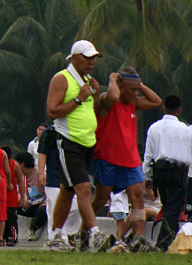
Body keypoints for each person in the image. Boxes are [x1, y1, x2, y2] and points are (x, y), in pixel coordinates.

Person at [90, 67, 162, 252]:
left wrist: (138, 85)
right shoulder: (107, 100)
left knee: (138, 198)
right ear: (120, 86)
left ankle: (137, 239)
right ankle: (84, 231)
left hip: (130, 161)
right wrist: (113, 79)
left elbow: (156, 101)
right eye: (132, 89)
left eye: (137, 90)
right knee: (100, 199)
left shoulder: (132, 103)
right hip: (107, 158)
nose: (136, 93)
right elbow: (113, 96)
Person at [44, 39, 104, 252]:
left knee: (67, 191)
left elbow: (91, 111)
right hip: (68, 141)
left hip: (88, 142)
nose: (92, 62)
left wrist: (93, 95)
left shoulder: (87, 79)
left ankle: (54, 237)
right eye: (87, 58)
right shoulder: (62, 78)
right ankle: (95, 234)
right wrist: (79, 98)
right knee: (84, 189)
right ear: (75, 57)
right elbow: (52, 111)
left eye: (94, 58)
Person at [143, 94, 192, 251]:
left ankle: (165, 242)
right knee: (173, 208)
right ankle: (163, 243)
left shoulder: (154, 128)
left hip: (159, 172)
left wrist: (147, 176)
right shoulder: (185, 130)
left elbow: (148, 155)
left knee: (168, 205)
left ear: (164, 108)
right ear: (179, 110)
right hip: (178, 172)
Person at [39, 124, 82, 250]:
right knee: (54, 210)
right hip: (53, 178)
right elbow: (42, 153)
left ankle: (69, 234)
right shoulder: (49, 132)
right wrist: (42, 172)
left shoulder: (76, 130)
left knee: (77, 207)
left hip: (71, 177)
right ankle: (56, 240)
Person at [14, 152, 48, 241]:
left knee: (43, 210)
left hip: (41, 204)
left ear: (22, 164)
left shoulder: (39, 174)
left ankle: (32, 229)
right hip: (27, 205)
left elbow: (49, 190)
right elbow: (17, 191)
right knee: (10, 207)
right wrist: (21, 199)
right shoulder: (21, 176)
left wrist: (46, 203)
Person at [1, 145, 27, 246]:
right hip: (0, 194)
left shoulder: (14, 165)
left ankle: (12, 236)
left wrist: (22, 197)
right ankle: (0, 236)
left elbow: (20, 182)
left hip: (11, 196)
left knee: (11, 217)